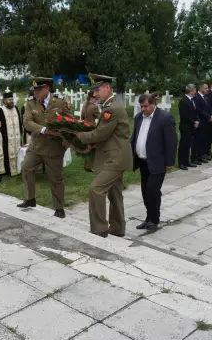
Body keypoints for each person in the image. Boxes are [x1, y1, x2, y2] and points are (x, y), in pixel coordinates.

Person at [76, 74, 133, 237]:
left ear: (108, 88)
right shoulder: (111, 106)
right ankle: (117, 228)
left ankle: (100, 229)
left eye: (98, 90)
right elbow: (110, 135)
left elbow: (101, 133)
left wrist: (80, 136)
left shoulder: (112, 109)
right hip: (116, 156)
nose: (95, 94)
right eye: (93, 91)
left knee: (95, 189)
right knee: (115, 194)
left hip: (114, 159)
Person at [18, 77, 74, 218]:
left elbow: (70, 122)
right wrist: (45, 130)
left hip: (54, 148)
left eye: (39, 90)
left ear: (47, 88)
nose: (36, 93)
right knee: (26, 168)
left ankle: (59, 207)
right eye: (34, 90)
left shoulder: (60, 102)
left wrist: (67, 139)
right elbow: (27, 122)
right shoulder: (31, 103)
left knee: (55, 178)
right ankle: (30, 199)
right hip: (36, 146)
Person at [130, 93, 177, 231]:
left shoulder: (164, 118)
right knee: (145, 191)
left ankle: (154, 219)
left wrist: (169, 162)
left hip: (158, 161)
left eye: (145, 106)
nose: (143, 109)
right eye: (141, 106)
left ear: (153, 104)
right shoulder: (139, 118)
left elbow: (171, 142)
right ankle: (148, 217)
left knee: (153, 190)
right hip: (143, 161)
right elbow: (135, 136)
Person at [0, 92, 23, 177]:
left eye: (12, 100)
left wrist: (21, 132)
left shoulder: (16, 109)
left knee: (18, 153)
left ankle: (19, 168)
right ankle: (8, 171)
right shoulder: (0, 111)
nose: (11, 101)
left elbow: (19, 121)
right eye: (9, 100)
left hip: (17, 137)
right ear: (4, 101)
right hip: (6, 138)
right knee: (7, 155)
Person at [177, 84, 199, 170]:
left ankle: (186, 161)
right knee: (183, 144)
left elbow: (195, 112)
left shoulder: (193, 100)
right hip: (186, 126)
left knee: (188, 144)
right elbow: (184, 115)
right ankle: (181, 162)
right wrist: (194, 122)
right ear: (190, 91)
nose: (195, 91)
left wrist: (197, 120)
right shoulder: (183, 101)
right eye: (194, 90)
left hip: (192, 126)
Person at [80, 90, 100, 172]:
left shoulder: (85, 105)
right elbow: (100, 117)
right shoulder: (94, 107)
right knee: (93, 148)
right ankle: (90, 166)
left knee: (88, 147)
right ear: (92, 98)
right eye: (95, 98)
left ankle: (87, 165)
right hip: (91, 128)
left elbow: (82, 116)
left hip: (85, 127)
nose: (97, 100)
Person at [193, 83, 212, 164]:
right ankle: (195, 157)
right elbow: (199, 110)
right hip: (201, 121)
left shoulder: (206, 97)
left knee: (203, 139)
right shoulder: (197, 97)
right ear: (200, 89)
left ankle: (201, 155)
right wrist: (208, 116)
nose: (208, 89)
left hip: (206, 121)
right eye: (206, 88)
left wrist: (211, 115)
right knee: (198, 140)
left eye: (207, 88)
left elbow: (209, 107)